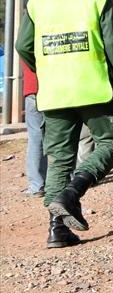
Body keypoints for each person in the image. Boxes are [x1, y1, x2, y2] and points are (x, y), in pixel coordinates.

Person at [16, 0, 113, 247]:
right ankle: (73, 191)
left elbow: (23, 45)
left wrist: (46, 68)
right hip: (92, 87)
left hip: (53, 92)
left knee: (59, 160)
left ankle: (57, 229)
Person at [20, 58, 46, 198]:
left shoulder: (29, 35)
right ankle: (70, 180)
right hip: (60, 89)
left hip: (35, 87)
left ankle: (37, 185)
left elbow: (22, 47)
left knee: (36, 137)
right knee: (65, 135)